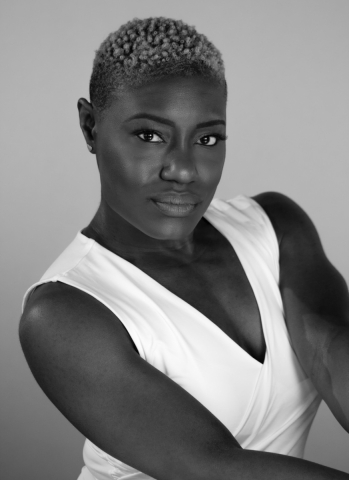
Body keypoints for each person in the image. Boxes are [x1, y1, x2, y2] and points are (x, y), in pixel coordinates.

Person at [19, 16, 349, 480]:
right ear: (90, 126)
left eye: (207, 138)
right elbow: (212, 467)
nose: (184, 169)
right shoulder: (62, 313)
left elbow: (328, 347)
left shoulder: (276, 229)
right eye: (150, 136)